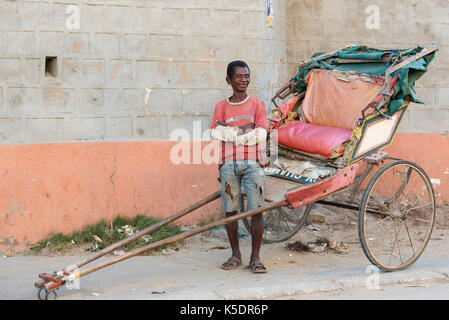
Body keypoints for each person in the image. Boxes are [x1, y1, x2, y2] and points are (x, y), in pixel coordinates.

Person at [210, 60, 268, 273]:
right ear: (229, 80)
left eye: (246, 76)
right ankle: (235, 255)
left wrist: (232, 133)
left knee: (256, 210)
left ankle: (255, 258)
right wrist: (245, 130)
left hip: (253, 163)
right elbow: (215, 131)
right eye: (239, 77)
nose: (244, 80)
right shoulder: (221, 107)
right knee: (230, 210)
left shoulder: (257, 104)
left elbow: (261, 133)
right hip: (228, 164)